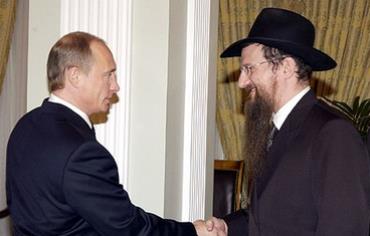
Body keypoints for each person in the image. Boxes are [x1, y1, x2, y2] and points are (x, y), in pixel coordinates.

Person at [6, 31, 225, 236]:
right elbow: (127, 227)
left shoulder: (25, 127)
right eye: (108, 75)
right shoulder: (82, 152)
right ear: (74, 76)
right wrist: (192, 232)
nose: (115, 86)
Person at [208, 7, 370, 236]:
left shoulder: (333, 133)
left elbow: (346, 228)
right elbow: (268, 216)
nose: (242, 82)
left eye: (249, 68)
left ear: (285, 67)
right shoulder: (272, 130)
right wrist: (227, 226)